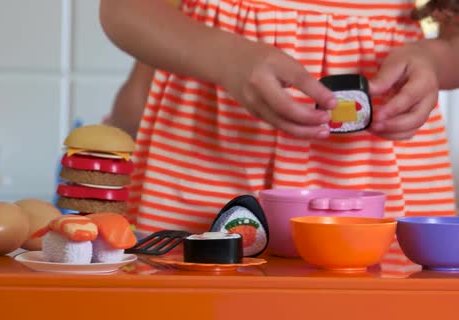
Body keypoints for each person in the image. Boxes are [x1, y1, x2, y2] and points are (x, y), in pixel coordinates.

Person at [99, 0, 459, 237]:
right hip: (210, 162)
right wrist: (227, 59)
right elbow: (125, 10)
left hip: (378, 174)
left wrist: (431, 62)